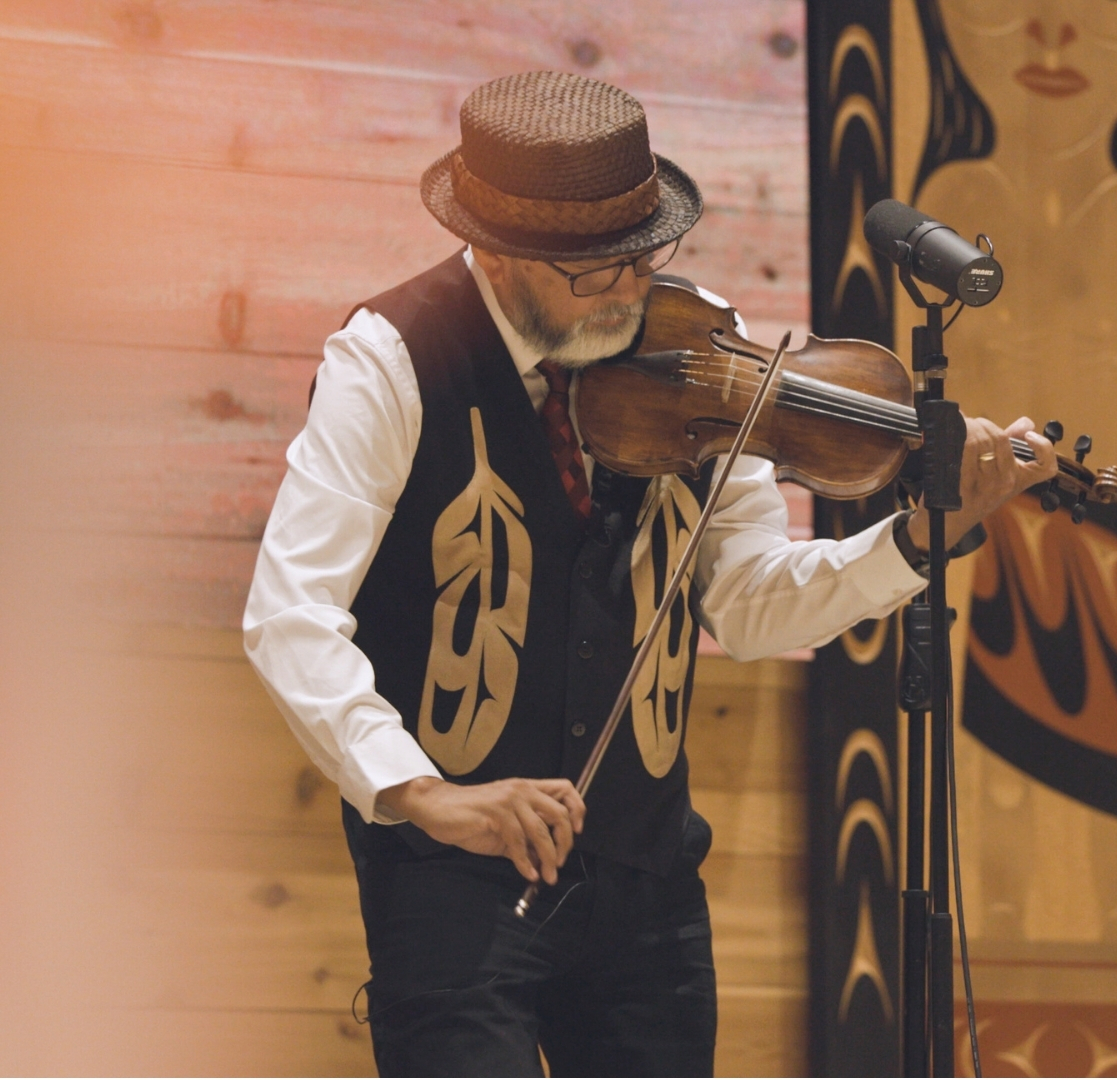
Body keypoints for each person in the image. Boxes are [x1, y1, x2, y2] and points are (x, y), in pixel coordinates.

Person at [243, 70, 1056, 1076]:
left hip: (648, 891)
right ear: (498, 254)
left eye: (644, 251)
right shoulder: (393, 359)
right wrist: (419, 791)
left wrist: (919, 542)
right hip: (452, 890)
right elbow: (290, 614)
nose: (631, 288)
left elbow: (750, 604)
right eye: (592, 271)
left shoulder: (698, 340)